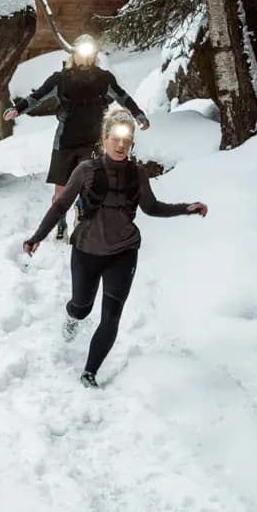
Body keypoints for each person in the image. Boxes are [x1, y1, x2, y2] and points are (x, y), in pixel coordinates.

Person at [21, 109, 207, 388]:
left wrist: (186, 209)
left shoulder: (137, 174)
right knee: (81, 307)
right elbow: (61, 205)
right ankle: (72, 316)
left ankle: (89, 372)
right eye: (116, 139)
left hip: (123, 252)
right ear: (105, 139)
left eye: (127, 140)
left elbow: (152, 208)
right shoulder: (86, 170)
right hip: (86, 250)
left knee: (111, 316)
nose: (121, 145)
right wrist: (38, 236)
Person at [5, 34, 150, 240]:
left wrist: (138, 114)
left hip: (93, 141)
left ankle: (81, 215)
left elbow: (123, 96)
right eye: (81, 53)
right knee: (62, 192)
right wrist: (17, 110)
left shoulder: (104, 78)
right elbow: (37, 96)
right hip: (65, 142)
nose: (85, 57)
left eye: (90, 53)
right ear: (74, 54)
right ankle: (60, 221)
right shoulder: (60, 79)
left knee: (89, 185)